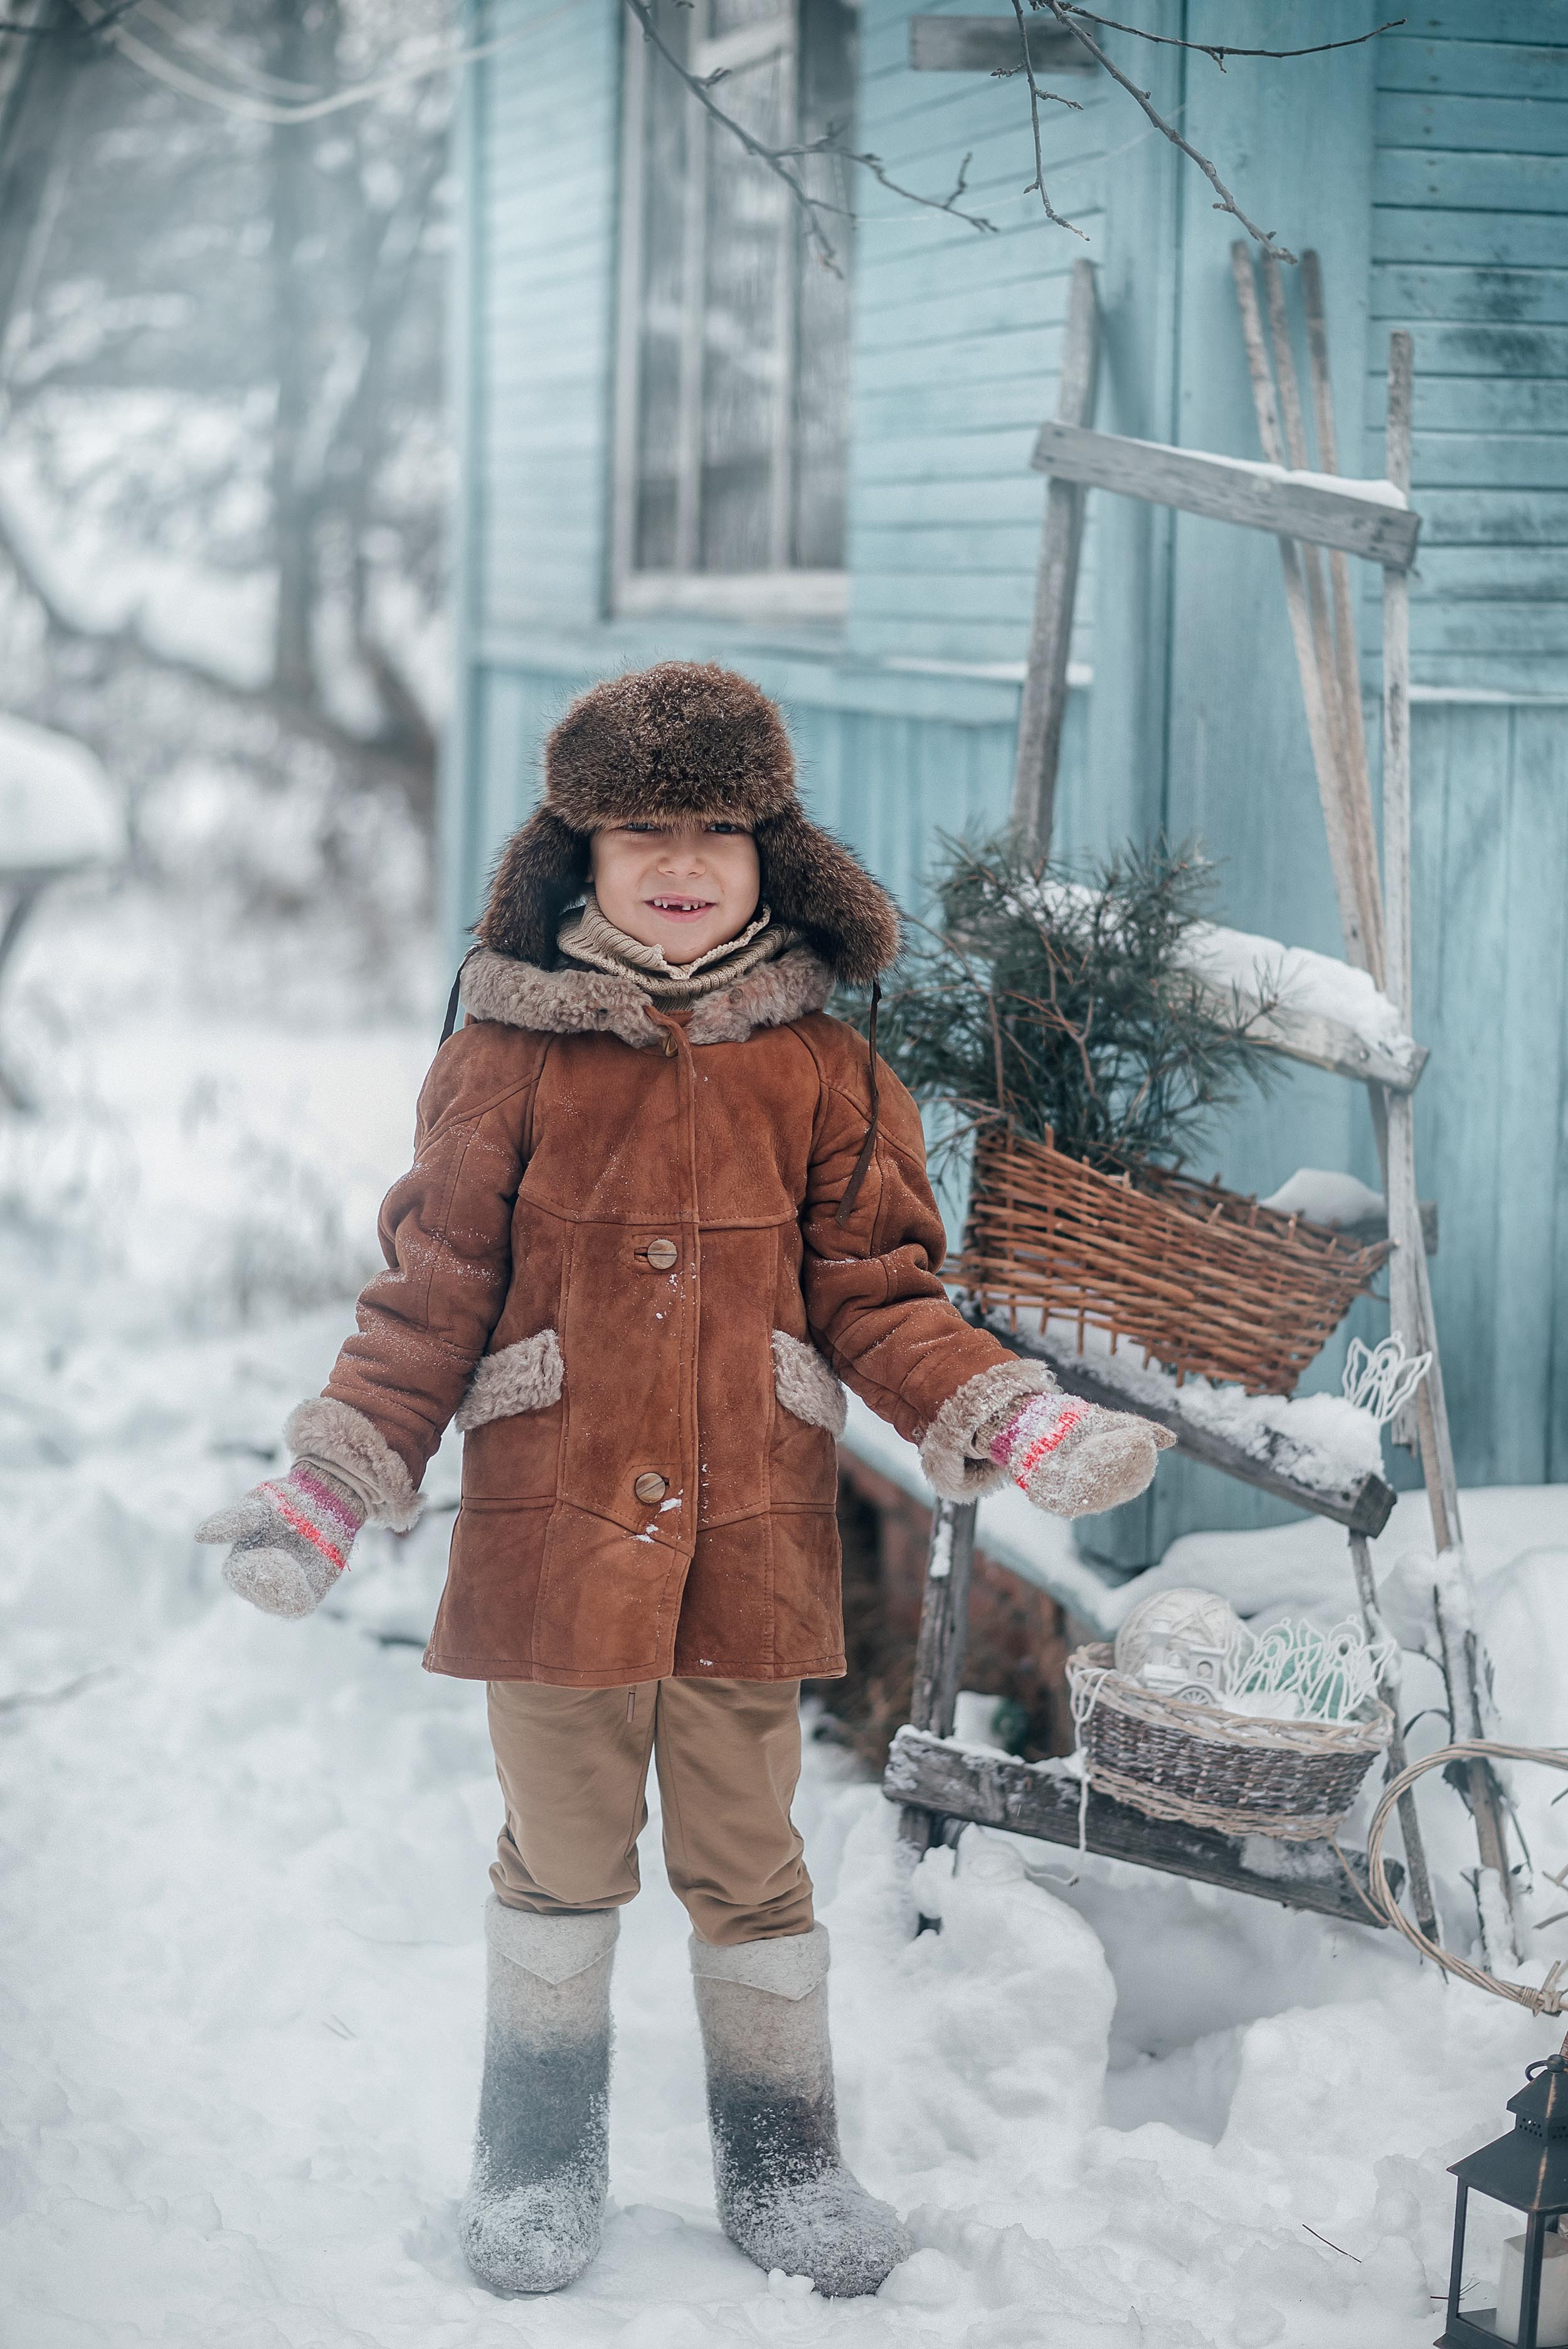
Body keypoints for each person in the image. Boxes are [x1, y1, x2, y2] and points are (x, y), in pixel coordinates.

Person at [196, 662, 1173, 2299]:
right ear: (572, 852)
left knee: (753, 1855)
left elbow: (882, 1295)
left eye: (715, 829)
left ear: (768, 851)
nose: (679, 861)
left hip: (746, 1540)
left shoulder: (823, 1068)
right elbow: (429, 1296)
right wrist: (335, 1475)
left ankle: (785, 2158)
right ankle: (533, 2156)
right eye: (640, 828)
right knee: (561, 1851)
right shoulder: (503, 1059)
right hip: (549, 1537)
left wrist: (1006, 1414)